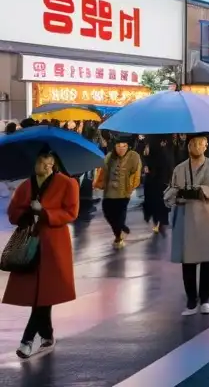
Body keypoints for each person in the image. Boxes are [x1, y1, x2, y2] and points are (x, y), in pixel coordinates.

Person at [4, 148, 79, 359]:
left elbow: (71, 212)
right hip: (29, 244)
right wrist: (27, 212)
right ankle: (47, 335)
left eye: (50, 160)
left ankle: (28, 339)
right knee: (40, 293)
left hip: (54, 246)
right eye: (42, 161)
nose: (47, 165)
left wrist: (45, 212)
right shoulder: (25, 186)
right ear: (34, 163)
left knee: (45, 293)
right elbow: (12, 213)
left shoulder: (67, 183)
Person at [164, 132, 209, 316]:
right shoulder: (179, 169)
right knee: (188, 261)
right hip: (186, 217)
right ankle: (191, 300)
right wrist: (177, 193)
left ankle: (205, 300)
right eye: (192, 144)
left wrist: (203, 191)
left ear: (206, 146)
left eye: (200, 144)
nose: (196, 147)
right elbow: (171, 188)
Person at [93, 135, 142, 249]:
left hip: (123, 192)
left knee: (120, 215)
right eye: (119, 146)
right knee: (107, 212)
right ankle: (122, 230)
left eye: (124, 146)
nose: (121, 148)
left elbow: (136, 173)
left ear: (128, 146)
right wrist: (98, 183)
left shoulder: (134, 156)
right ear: (114, 146)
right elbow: (103, 171)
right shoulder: (109, 157)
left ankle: (118, 237)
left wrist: (131, 186)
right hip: (109, 191)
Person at [142, 137, 174, 233]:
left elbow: (167, 166)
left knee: (159, 202)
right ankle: (158, 221)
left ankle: (159, 222)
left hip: (160, 181)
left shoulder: (162, 153)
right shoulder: (157, 152)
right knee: (155, 202)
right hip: (154, 181)